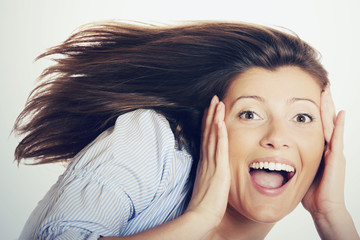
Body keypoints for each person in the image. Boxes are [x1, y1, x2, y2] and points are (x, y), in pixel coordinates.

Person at [13, 21, 359, 239]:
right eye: (250, 114)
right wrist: (198, 220)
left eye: (302, 118)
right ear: (211, 123)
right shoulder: (151, 140)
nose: (278, 138)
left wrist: (332, 216)